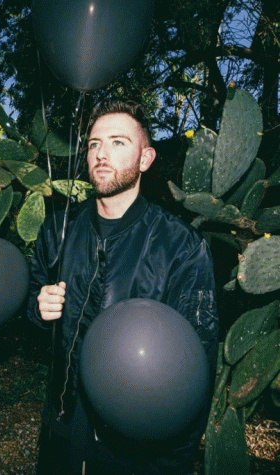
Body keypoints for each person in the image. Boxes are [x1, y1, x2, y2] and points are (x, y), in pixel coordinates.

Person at [28, 99, 218, 474]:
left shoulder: (180, 247)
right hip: (61, 433)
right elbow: (31, 317)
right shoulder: (57, 230)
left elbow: (195, 375)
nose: (101, 154)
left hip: (132, 451)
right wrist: (37, 309)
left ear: (145, 158)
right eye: (94, 144)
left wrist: (170, 466)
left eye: (118, 142)